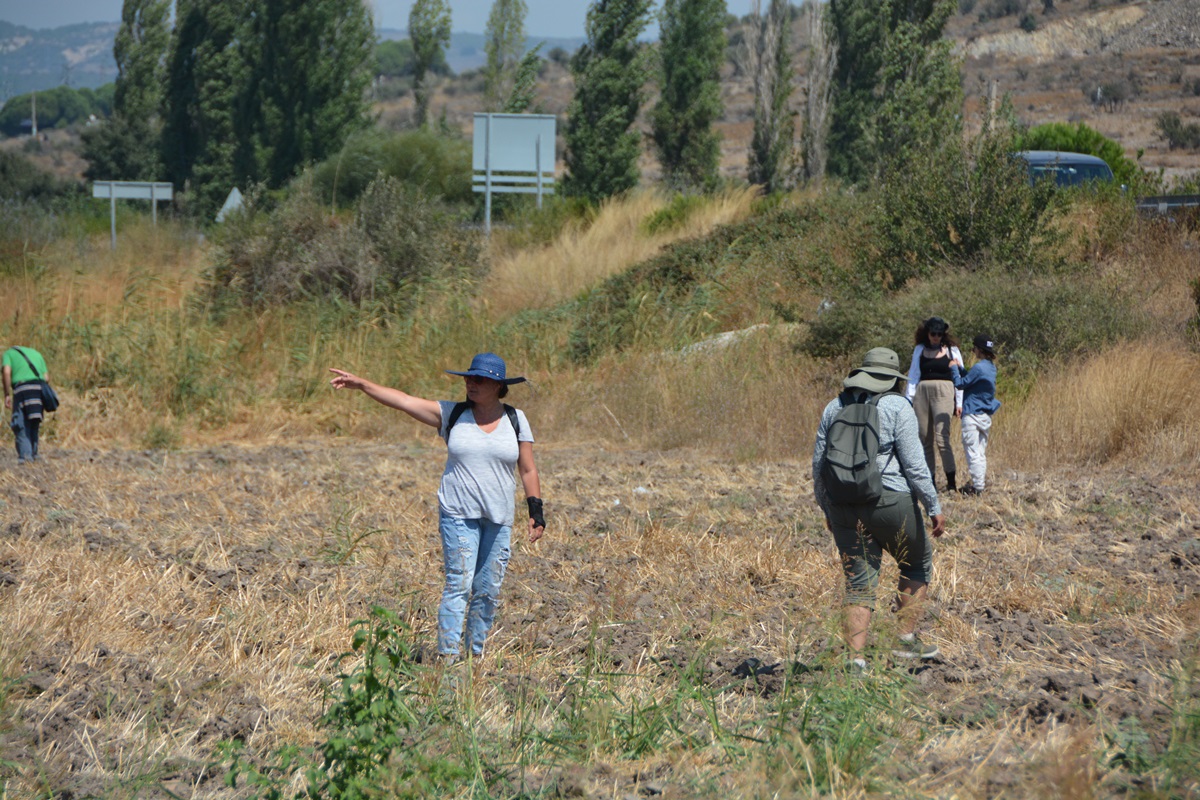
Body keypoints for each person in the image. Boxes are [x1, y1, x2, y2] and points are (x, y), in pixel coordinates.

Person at [329, 352, 544, 662]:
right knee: (459, 583)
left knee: (487, 590)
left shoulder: (515, 419)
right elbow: (403, 400)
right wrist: (363, 384)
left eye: (479, 379)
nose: (471, 383)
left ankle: (474, 657)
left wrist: (536, 511)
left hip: (498, 517)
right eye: (468, 377)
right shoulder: (452, 414)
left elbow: (528, 469)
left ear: (498, 385)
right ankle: (447, 658)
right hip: (457, 514)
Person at [813, 347, 946, 672]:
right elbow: (915, 465)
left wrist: (827, 510)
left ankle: (855, 662)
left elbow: (818, 466)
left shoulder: (835, 406)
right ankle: (903, 643)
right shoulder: (897, 405)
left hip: (843, 504)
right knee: (915, 564)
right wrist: (933, 505)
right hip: (891, 501)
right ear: (892, 379)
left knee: (858, 583)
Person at [905, 317, 964, 492]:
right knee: (924, 437)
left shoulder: (952, 351)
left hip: (944, 391)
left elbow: (959, 377)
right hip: (922, 392)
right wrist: (909, 399)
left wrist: (958, 402)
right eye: (933, 333)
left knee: (942, 437)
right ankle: (929, 481)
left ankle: (951, 482)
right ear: (927, 333)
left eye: (939, 334)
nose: (936, 337)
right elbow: (914, 374)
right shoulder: (919, 350)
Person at [950, 334, 1001, 496]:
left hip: (972, 414)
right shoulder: (991, 368)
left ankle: (978, 488)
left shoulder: (979, 368)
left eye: (974, 348)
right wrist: (960, 368)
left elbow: (960, 384)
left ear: (979, 350)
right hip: (985, 416)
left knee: (972, 452)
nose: (973, 351)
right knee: (980, 452)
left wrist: (953, 369)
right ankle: (980, 483)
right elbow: (972, 379)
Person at [3, 345, 49, 464]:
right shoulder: (37, 353)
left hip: (22, 389)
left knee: (20, 423)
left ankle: (25, 457)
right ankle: (34, 455)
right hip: (38, 388)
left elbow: (6, 372)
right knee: (34, 421)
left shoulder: (8, 353)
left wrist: (7, 394)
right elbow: (46, 378)